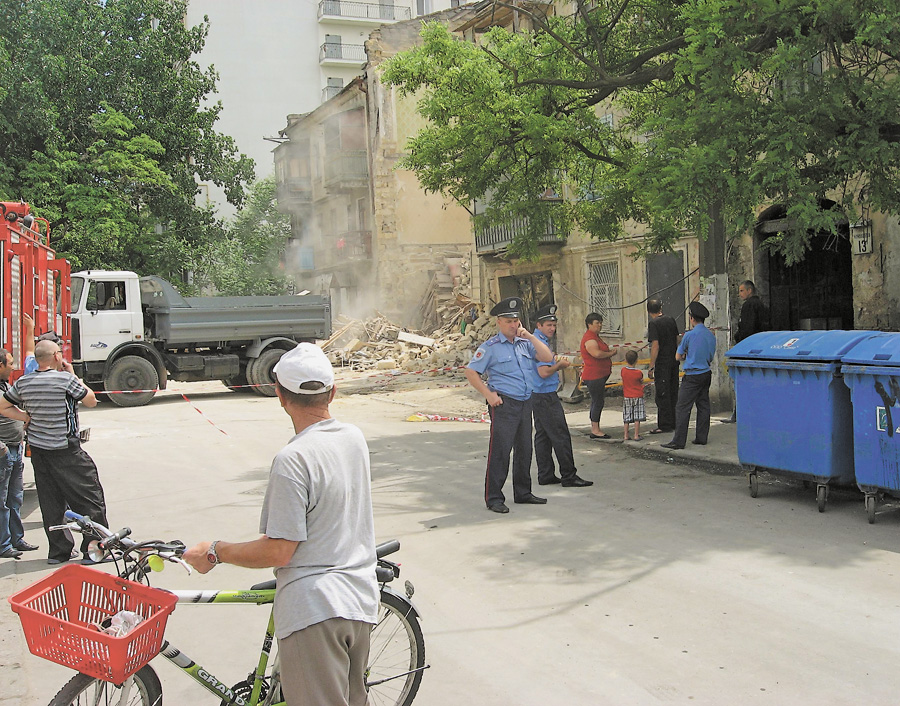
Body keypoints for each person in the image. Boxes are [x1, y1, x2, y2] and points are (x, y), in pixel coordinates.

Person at [184, 343, 379, 706]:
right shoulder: (353, 438)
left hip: (316, 611)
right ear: (332, 392)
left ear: (279, 396)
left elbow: (278, 550)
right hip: (360, 602)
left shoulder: (293, 459)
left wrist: (215, 551)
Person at [0, 339, 109, 564]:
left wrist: (25, 417)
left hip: (40, 452)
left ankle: (59, 552)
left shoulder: (24, 382)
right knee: (89, 500)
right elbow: (91, 400)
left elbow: (3, 406)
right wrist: (75, 376)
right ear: (57, 356)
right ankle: (94, 551)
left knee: (51, 503)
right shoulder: (65, 380)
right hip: (66, 451)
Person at [465, 297, 554, 514]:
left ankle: (523, 492)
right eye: (508, 321)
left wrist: (530, 336)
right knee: (501, 452)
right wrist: (488, 394)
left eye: (516, 321)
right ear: (499, 322)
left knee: (524, 449)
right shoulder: (490, 347)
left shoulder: (525, 343)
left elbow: (547, 357)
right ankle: (494, 497)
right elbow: (471, 372)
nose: (513, 325)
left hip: (525, 401)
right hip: (504, 403)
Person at [530, 305, 593, 488]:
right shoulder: (539, 344)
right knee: (560, 435)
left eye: (554, 325)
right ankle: (569, 475)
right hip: (545, 395)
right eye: (549, 325)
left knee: (542, 435)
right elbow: (543, 372)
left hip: (537, 394)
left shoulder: (537, 341)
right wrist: (559, 366)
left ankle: (546, 474)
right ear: (539, 325)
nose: (552, 328)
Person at [0, 315, 39, 560]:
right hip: (4, 451)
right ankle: (4, 545)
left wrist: (30, 330)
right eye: (8, 364)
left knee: (15, 498)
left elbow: (28, 358)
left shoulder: (5, 386)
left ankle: (16, 538)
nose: (13, 367)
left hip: (14, 449)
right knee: (2, 501)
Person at [662, 302, 717, 450]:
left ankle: (678, 441)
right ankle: (701, 437)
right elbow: (711, 356)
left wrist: (688, 355)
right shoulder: (711, 336)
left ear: (692, 318)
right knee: (703, 405)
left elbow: (677, 356)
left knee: (682, 407)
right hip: (706, 373)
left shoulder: (689, 335)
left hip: (692, 375)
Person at [724, 280, 769, 423]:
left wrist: (739, 341)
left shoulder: (749, 305)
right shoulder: (760, 305)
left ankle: (740, 413)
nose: (740, 294)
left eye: (742, 291)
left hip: (749, 350)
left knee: (743, 382)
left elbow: (748, 329)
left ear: (749, 291)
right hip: (759, 348)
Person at [580, 313, 616, 439]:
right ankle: (595, 430)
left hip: (600, 374)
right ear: (590, 324)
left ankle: (595, 427)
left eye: (601, 322)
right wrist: (610, 353)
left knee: (597, 400)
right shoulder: (590, 338)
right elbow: (596, 354)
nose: (600, 325)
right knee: (597, 401)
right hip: (594, 375)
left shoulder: (595, 336)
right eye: (597, 323)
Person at [646, 299, 680, 434]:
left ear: (649, 311)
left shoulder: (653, 323)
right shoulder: (671, 320)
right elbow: (677, 338)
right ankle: (674, 422)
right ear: (660, 308)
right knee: (673, 391)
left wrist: (651, 366)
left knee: (662, 393)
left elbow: (655, 345)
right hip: (673, 361)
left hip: (662, 363)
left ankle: (664, 425)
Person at [621, 350, 647, 441]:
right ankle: (636, 435)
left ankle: (626, 435)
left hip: (627, 396)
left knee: (627, 416)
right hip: (637, 396)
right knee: (637, 416)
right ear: (636, 360)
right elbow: (640, 381)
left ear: (626, 359)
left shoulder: (623, 371)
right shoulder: (638, 373)